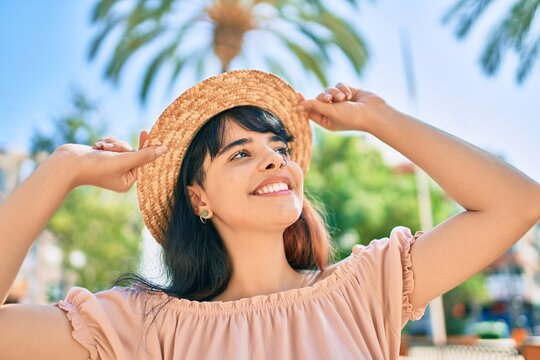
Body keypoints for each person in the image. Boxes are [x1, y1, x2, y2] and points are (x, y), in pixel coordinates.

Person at [0, 69, 538, 360]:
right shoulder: (142, 327)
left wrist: (383, 121)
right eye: (240, 153)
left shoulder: (364, 290)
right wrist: (62, 169)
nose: (273, 159)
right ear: (198, 198)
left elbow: (518, 203)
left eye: (277, 147)